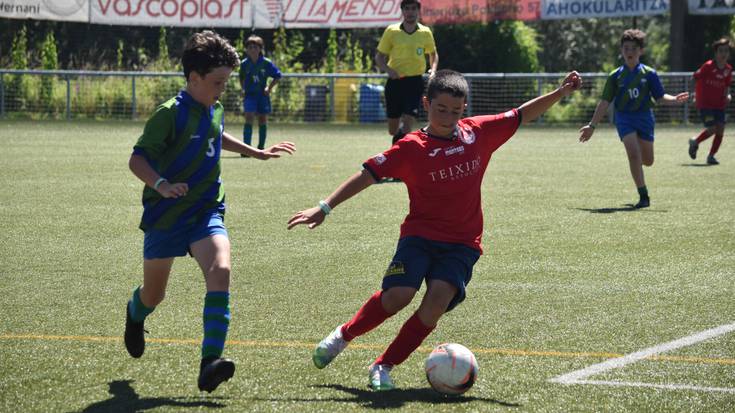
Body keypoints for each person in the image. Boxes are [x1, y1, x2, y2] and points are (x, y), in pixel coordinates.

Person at [287, 69, 582, 391]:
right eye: (441, 109)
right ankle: (344, 335)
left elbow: (522, 114)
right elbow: (368, 174)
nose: (448, 117)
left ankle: (383, 365)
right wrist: (325, 207)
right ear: (426, 103)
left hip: (462, 243)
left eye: (455, 111)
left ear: (464, 108)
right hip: (420, 237)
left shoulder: (478, 133)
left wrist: (560, 93)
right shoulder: (411, 147)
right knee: (398, 296)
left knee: (436, 303)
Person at [124, 30, 295, 393]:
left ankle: (210, 363)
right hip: (167, 213)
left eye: (226, 82)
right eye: (217, 82)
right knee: (154, 296)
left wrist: (257, 152)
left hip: (206, 208)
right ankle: (135, 313)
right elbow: (137, 159)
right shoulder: (168, 114)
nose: (222, 89)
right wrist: (162, 185)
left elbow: (216, 135)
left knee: (221, 269)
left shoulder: (213, 107)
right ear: (194, 79)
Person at [579, 29, 689, 209]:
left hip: (645, 118)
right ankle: (643, 196)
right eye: (626, 48)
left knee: (648, 161)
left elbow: (660, 97)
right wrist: (592, 125)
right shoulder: (615, 76)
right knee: (633, 154)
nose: (630, 52)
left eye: (634, 48)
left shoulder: (649, 73)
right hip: (624, 118)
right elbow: (605, 101)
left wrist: (675, 99)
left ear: (641, 51)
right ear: (621, 51)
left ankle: (640, 167)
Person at [375, 0, 438, 144]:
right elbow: (379, 57)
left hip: (415, 82)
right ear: (402, 11)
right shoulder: (392, 31)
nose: (410, 12)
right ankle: (397, 137)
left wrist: (433, 70)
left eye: (413, 9)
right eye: (407, 9)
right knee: (392, 129)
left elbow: (433, 54)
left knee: (409, 122)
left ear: (418, 11)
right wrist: (389, 70)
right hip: (395, 83)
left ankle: (400, 149)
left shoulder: (425, 32)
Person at [689, 37, 732, 165]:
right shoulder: (708, 66)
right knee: (712, 128)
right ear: (716, 53)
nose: (723, 54)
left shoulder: (728, 69)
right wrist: (693, 95)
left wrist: (728, 95)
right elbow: (694, 78)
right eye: (721, 51)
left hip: (719, 105)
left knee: (721, 130)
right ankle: (695, 142)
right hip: (705, 104)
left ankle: (711, 156)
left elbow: (726, 85)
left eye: (726, 51)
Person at [239, 34, 282, 154]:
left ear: (260, 49)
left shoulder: (266, 63)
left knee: (262, 119)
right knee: (249, 118)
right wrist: (243, 89)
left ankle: (261, 148)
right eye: (250, 47)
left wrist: (269, 87)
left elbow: (278, 76)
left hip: (262, 96)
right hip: (250, 95)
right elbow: (241, 77)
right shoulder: (244, 64)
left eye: (255, 47)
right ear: (246, 49)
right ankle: (246, 148)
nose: (253, 50)